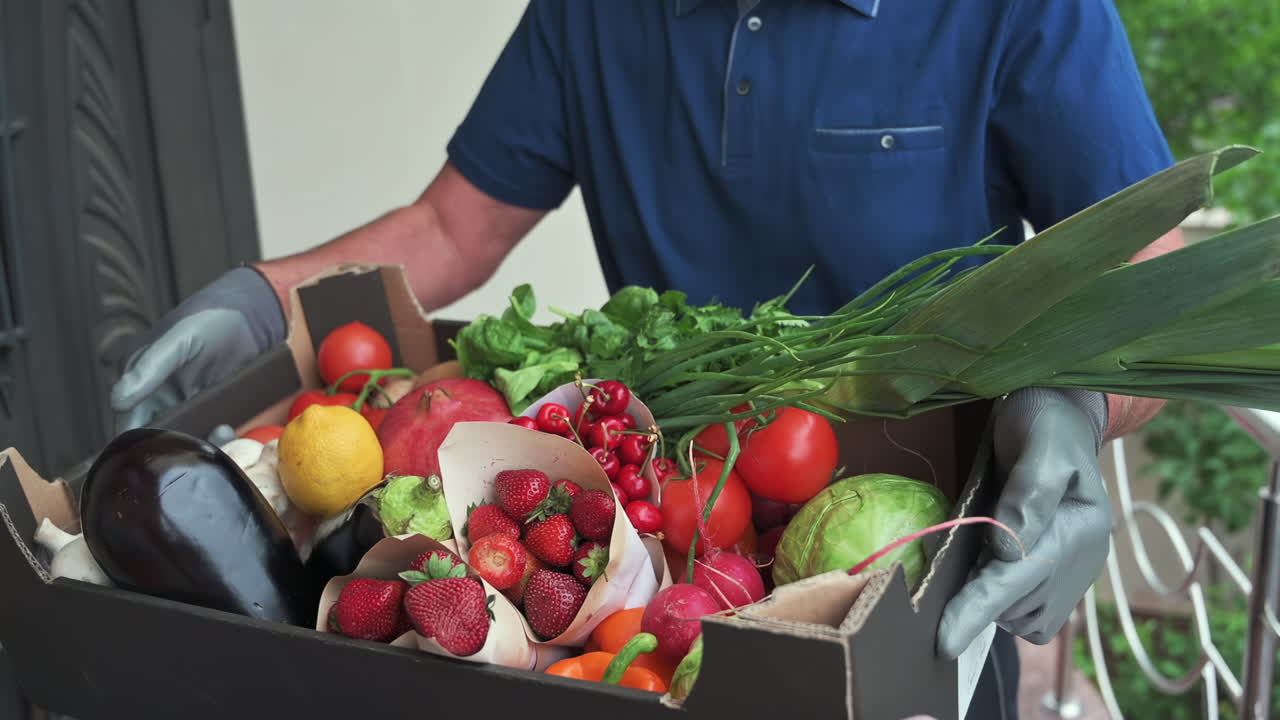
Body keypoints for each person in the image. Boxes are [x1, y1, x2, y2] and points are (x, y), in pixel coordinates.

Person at [110, 2, 1184, 716]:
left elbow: (1155, 300)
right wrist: (262, 294)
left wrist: (1069, 410)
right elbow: (448, 234)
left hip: (912, 570)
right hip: (658, 544)